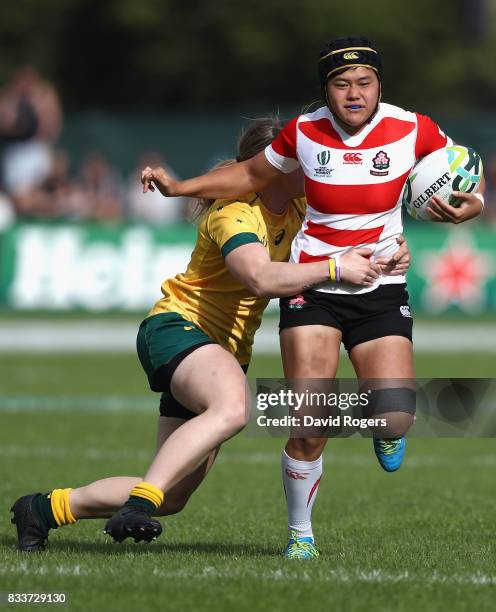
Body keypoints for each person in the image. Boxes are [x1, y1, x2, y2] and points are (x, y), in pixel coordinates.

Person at [133, 37, 485, 559]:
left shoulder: (414, 127)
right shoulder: (305, 131)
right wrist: (181, 187)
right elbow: (249, 175)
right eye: (342, 84)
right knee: (310, 419)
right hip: (313, 287)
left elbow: (462, 173)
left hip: (381, 285)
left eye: (364, 83)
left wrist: (473, 205)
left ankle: (384, 425)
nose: (354, 94)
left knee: (393, 417)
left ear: (379, 86)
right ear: (326, 90)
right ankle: (301, 533)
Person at [10, 117, 410, 552]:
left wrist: (389, 253)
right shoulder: (233, 211)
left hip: (222, 352)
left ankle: (43, 509)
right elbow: (260, 277)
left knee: (174, 495)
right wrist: (335, 267)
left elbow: (354, 244)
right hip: (179, 329)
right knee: (233, 406)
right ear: (273, 167)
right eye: (305, 160)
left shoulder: (300, 211)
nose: (318, 167)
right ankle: (139, 503)